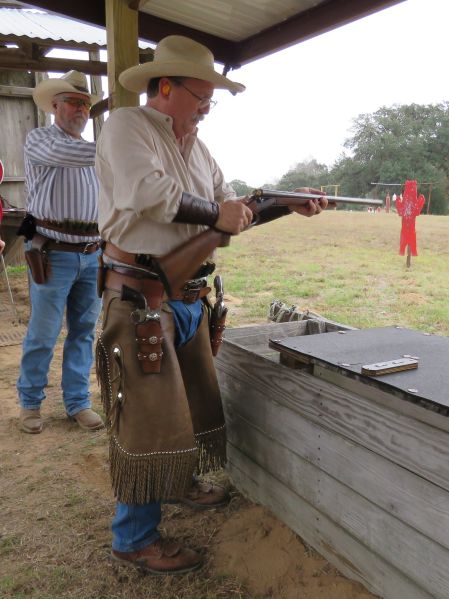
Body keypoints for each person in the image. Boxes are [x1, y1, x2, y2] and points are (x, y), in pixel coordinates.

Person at [95, 35, 328, 575]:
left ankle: (175, 483)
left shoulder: (199, 150)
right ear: (166, 85)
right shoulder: (126, 126)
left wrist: (286, 205)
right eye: (202, 96)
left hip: (188, 298)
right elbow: (146, 193)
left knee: (187, 408)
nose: (206, 107)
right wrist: (220, 213)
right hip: (140, 298)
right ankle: (133, 539)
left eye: (210, 100)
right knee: (148, 422)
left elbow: (229, 212)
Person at [17, 71, 104, 435]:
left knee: (83, 332)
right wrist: (124, 148)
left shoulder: (96, 153)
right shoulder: (41, 140)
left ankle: (78, 402)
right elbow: (70, 154)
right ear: (55, 106)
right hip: (53, 252)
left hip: (92, 253)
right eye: (72, 102)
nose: (81, 109)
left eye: (85, 104)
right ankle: (30, 403)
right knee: (44, 332)